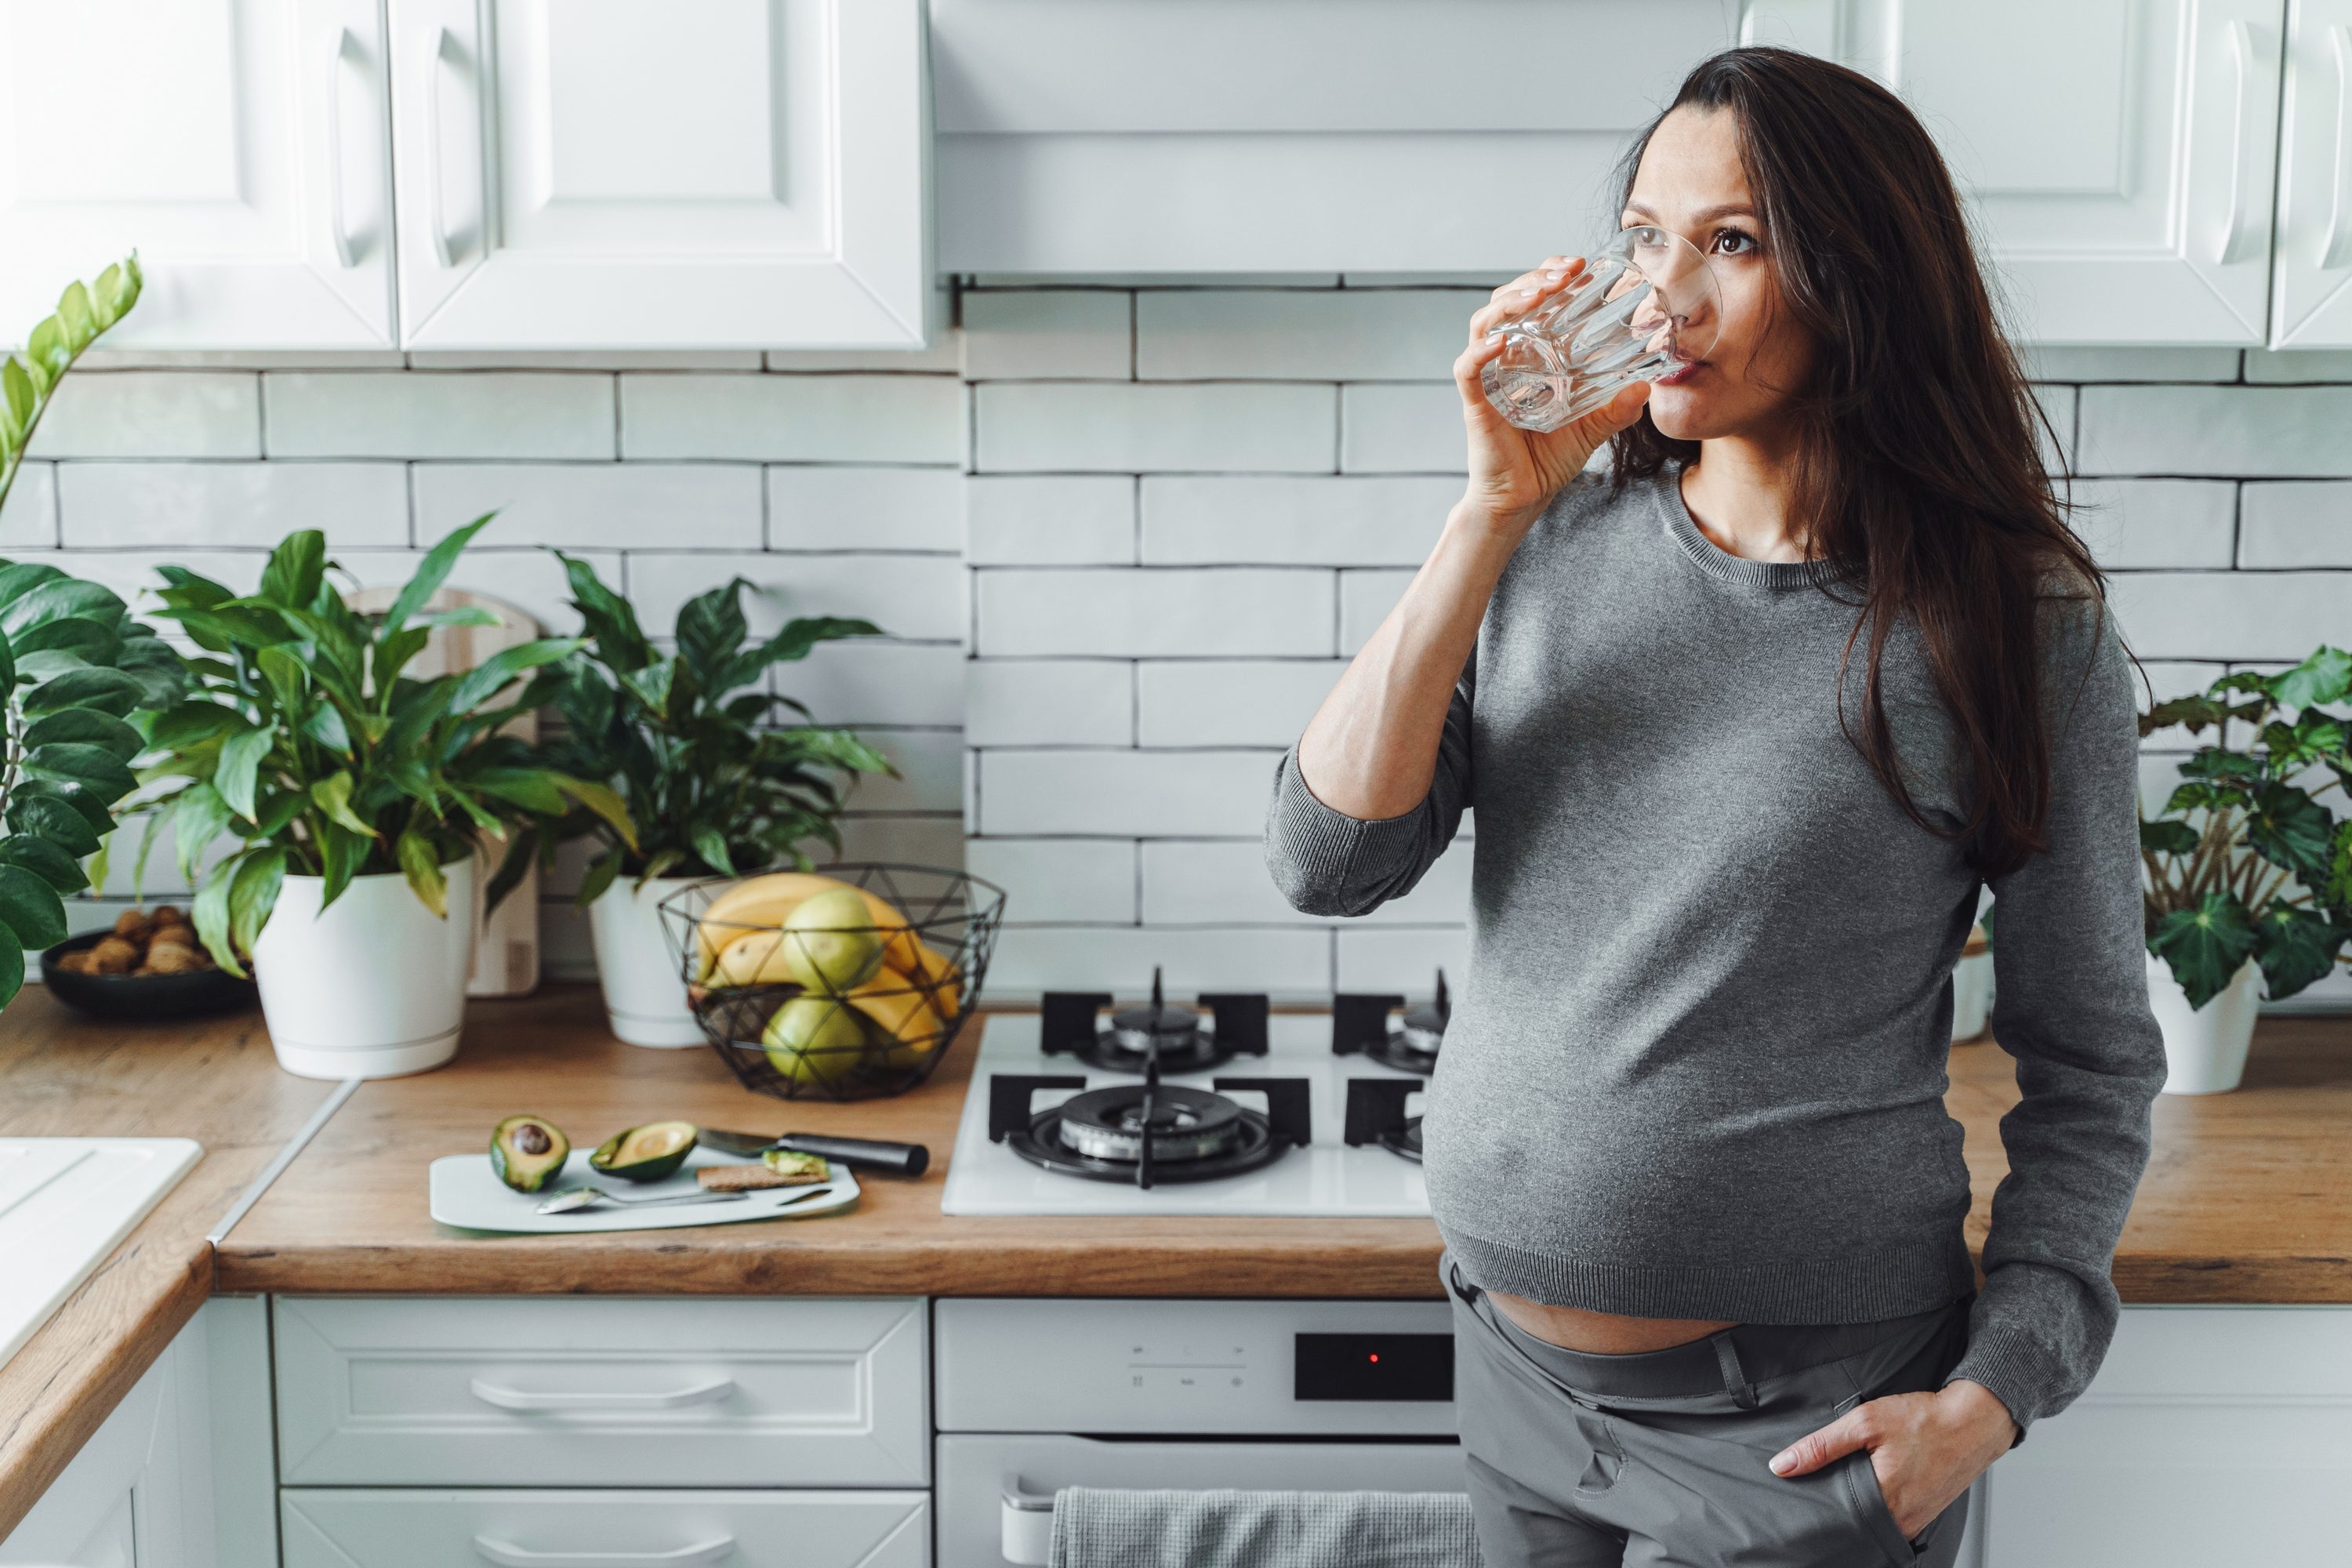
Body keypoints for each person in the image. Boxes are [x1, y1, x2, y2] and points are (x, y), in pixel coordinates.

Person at [1264, 47, 2166, 1568]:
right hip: (1514, 1361)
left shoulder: (2016, 626)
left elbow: (2091, 1059)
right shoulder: (1546, 547)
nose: (1662, 296)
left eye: (1731, 243)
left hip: (1816, 1410)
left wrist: (2000, 1389)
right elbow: (1326, 859)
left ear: (1862, 277)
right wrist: (1487, 512)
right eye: (1642, 237)